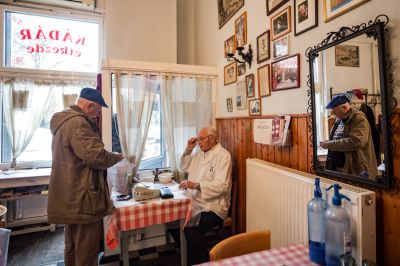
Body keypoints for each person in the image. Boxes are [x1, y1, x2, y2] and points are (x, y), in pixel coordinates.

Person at [48, 87, 123, 266]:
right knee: (86, 249)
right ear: (89, 106)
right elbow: (96, 157)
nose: (96, 115)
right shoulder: (79, 124)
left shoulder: (63, 121)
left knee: (72, 246)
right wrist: (119, 156)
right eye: (96, 111)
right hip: (82, 197)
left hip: (68, 195)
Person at [178, 126, 232, 265]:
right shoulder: (199, 153)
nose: (198, 142)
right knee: (176, 222)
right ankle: (196, 256)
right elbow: (183, 167)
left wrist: (195, 185)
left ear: (212, 139)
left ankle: (203, 262)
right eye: (197, 139)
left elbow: (222, 186)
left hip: (214, 206)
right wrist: (189, 149)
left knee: (191, 230)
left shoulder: (223, 156)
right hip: (195, 202)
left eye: (201, 139)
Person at [320, 93, 377, 179]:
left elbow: (356, 142)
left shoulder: (359, 119)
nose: (333, 113)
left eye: (335, 111)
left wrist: (329, 144)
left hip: (354, 168)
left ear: (344, 108)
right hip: (339, 167)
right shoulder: (339, 120)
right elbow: (337, 139)